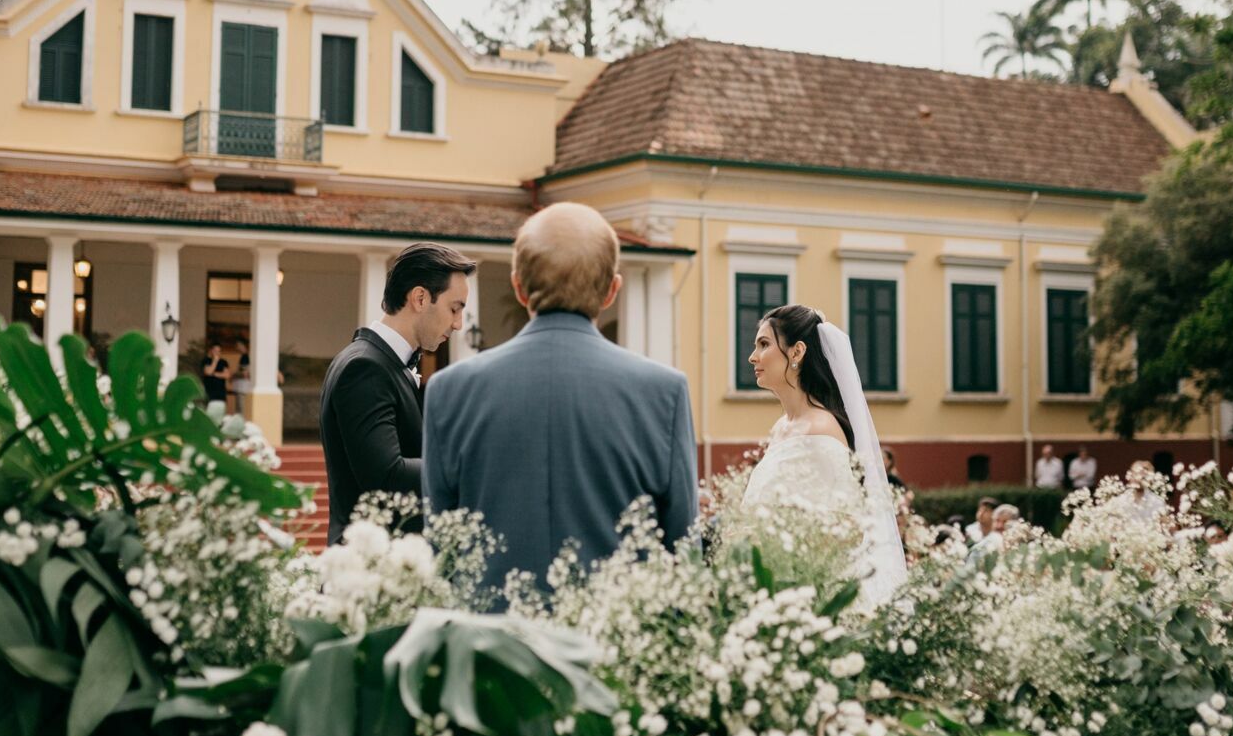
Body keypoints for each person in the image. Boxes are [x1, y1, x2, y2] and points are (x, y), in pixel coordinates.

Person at [423, 204, 697, 594]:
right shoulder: (664, 392)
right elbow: (683, 552)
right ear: (611, 290)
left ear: (518, 287)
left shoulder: (449, 390)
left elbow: (441, 551)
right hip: (618, 646)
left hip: (490, 646)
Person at [732, 302, 908, 606]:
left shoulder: (821, 430)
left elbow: (847, 528)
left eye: (764, 344)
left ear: (797, 352)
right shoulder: (781, 428)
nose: (753, 357)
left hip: (807, 596)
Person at [320, 243, 476, 545]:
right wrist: (467, 463)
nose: (458, 324)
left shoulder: (379, 362)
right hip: (367, 572)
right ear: (419, 298)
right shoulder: (365, 367)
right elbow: (386, 475)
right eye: (454, 308)